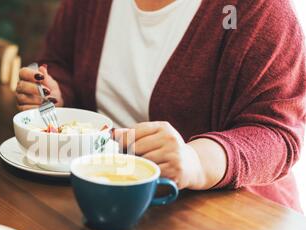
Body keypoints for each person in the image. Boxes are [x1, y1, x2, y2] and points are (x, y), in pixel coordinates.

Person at [15, 0, 306, 212]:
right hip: (106, 196)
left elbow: (278, 133)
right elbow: (60, 60)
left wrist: (196, 161)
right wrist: (56, 93)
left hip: (228, 222)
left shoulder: (259, 9)